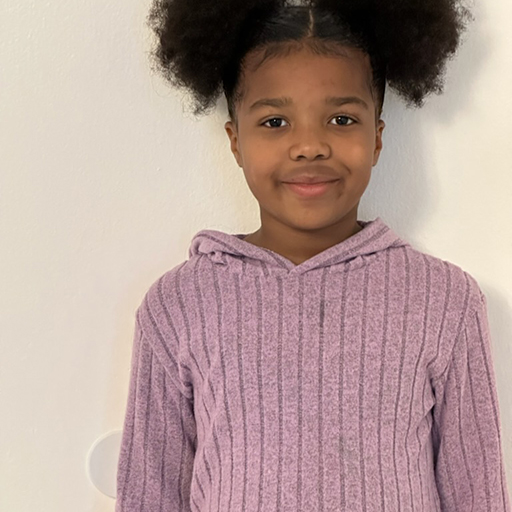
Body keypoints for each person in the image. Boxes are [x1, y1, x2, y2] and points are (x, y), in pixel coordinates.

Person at [115, 0, 511, 511]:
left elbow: (477, 493)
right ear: (235, 141)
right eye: (276, 121)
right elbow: (150, 494)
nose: (309, 146)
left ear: (377, 139)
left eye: (341, 118)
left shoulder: (446, 301)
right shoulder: (177, 305)